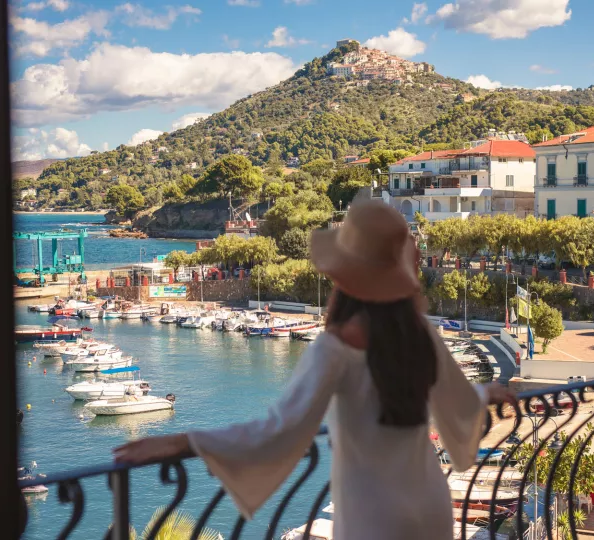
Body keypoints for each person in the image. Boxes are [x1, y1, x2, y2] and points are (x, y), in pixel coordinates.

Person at [114, 200, 516, 539]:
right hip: (429, 499)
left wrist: (182, 443)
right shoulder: (419, 334)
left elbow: (280, 432)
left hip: (372, 511)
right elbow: (458, 405)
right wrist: (488, 393)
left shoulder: (335, 349)